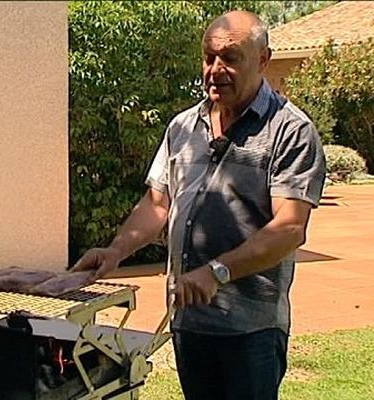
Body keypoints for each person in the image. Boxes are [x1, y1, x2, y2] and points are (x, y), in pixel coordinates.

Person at [72, 10, 326, 400]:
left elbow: (290, 227)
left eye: (230, 58)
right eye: (209, 58)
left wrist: (217, 272)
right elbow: (158, 202)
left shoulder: (291, 131)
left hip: (250, 331)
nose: (215, 69)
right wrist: (115, 250)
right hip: (189, 322)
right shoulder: (183, 127)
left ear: (263, 60)